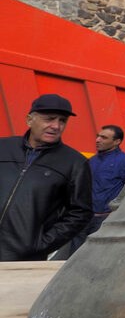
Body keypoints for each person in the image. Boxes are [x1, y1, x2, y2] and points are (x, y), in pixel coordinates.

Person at [0, 94, 92, 261]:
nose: (56, 126)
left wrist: (39, 244)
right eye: (49, 119)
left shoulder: (75, 163)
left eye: (62, 120)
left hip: (21, 260)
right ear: (29, 120)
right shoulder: (3, 147)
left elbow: (80, 212)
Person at [69, 124, 125, 254]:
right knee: (73, 258)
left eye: (104, 137)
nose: (98, 140)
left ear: (117, 142)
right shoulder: (90, 161)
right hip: (84, 219)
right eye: (98, 136)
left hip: (104, 220)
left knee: (97, 256)